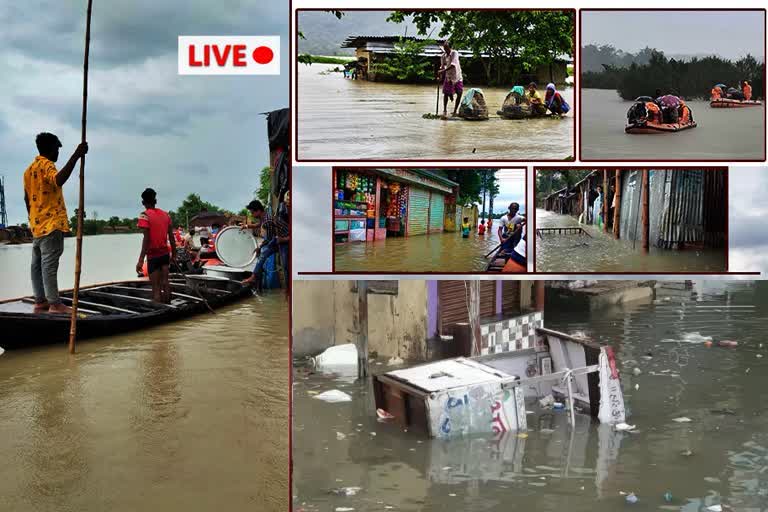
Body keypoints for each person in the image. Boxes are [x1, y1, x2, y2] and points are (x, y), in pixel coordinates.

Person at [23, 132, 88, 314]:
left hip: (37, 226)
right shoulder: (46, 164)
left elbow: (26, 199)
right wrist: (76, 155)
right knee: (49, 266)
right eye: (57, 149)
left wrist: (33, 220)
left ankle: (40, 300)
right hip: (51, 225)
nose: (58, 152)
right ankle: (54, 304)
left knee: (37, 265)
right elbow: (58, 180)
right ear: (51, 149)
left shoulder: (29, 171)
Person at [135, 188, 175, 303]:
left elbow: (146, 239)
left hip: (153, 256)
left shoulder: (144, 215)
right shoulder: (166, 215)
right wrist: (174, 254)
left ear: (143, 202)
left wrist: (141, 260)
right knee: (166, 283)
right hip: (165, 254)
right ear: (155, 201)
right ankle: (169, 306)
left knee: (156, 289)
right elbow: (171, 237)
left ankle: (160, 311)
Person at [241, 199, 290, 289]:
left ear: (258, 211)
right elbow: (259, 224)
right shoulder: (265, 217)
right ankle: (254, 276)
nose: (252, 214)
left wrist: (260, 247)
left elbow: (269, 240)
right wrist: (247, 226)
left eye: (252, 212)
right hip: (278, 239)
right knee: (264, 254)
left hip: (287, 240)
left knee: (286, 266)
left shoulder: (268, 221)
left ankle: (289, 287)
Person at [438, 41, 463, 117]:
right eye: (444, 48)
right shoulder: (443, 56)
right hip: (448, 77)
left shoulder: (454, 53)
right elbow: (442, 66)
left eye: (446, 48)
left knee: (459, 93)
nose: (445, 50)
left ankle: (455, 111)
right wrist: (440, 76)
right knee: (445, 94)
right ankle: (445, 110)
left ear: (450, 48)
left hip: (457, 76)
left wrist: (443, 71)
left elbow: (453, 65)